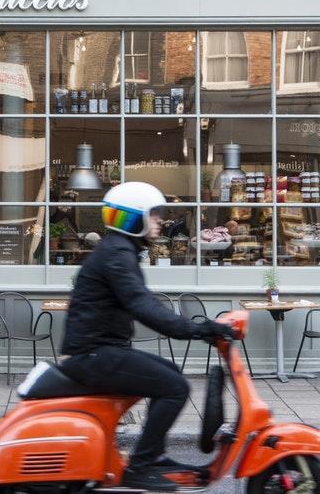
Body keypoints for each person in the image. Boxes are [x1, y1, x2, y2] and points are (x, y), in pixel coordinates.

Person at [59, 181, 234, 492]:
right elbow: (142, 305)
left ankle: (151, 456)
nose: (160, 221)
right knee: (174, 387)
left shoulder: (119, 251)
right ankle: (141, 466)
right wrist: (197, 329)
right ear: (133, 217)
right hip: (94, 355)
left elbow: (142, 301)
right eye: (153, 215)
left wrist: (198, 328)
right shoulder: (116, 254)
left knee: (170, 374)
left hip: (99, 351)